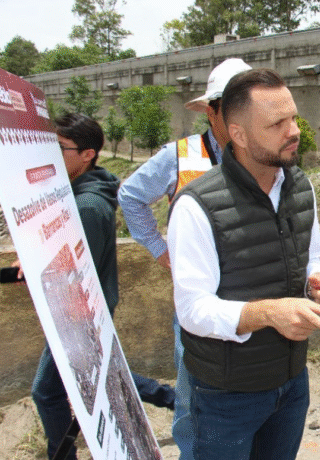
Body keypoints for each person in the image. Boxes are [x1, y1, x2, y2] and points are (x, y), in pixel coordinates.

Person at [167, 68, 320, 459]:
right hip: (225, 396)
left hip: (291, 383)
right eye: (277, 124)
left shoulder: (301, 186)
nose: (293, 131)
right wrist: (268, 313)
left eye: (293, 118)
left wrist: (317, 280)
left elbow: (312, 257)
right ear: (239, 134)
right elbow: (192, 310)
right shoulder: (197, 206)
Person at [117, 57, 251, 459]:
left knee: (245, 390)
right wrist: (160, 250)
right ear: (211, 111)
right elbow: (131, 196)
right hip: (196, 299)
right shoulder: (178, 156)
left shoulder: (259, 154)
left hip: (249, 297)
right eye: (232, 107)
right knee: (193, 391)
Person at [31, 113, 174, 460]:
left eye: (60, 147)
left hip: (78, 314)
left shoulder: (88, 206)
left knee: (47, 392)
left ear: (87, 154)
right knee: (108, 377)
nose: (51, 154)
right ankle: (175, 399)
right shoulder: (78, 193)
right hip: (81, 311)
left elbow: (79, 271)